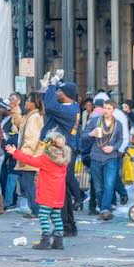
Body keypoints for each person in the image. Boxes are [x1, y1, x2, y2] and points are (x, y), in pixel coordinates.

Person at [8, 130, 72, 250]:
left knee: (43, 216)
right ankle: (59, 241)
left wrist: (15, 152)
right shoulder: (63, 159)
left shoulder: (46, 159)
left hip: (48, 192)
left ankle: (45, 240)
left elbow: (30, 160)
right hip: (58, 194)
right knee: (56, 216)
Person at [44, 80, 81, 236]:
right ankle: (69, 226)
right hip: (63, 151)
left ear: (66, 95)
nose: (56, 93)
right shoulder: (71, 107)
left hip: (63, 153)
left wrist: (51, 86)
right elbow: (49, 108)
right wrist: (46, 89)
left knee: (60, 192)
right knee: (63, 192)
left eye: (59, 91)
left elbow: (50, 107)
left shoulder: (68, 110)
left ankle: (67, 225)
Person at [82, 99, 124, 221]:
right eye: (105, 108)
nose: (106, 110)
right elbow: (83, 135)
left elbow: (120, 140)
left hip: (111, 158)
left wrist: (113, 147)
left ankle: (105, 209)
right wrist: (91, 134)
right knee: (98, 187)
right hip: (95, 157)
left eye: (109, 108)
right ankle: (102, 207)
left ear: (113, 110)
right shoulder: (95, 121)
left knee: (109, 184)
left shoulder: (118, 124)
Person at [13, 92, 45, 217]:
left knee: (29, 185)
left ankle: (36, 210)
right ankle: (35, 209)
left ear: (34, 103)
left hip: (30, 157)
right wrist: (15, 107)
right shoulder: (30, 116)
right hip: (30, 156)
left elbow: (31, 139)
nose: (25, 102)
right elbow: (19, 123)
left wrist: (23, 156)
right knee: (28, 184)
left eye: (28, 100)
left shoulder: (35, 117)